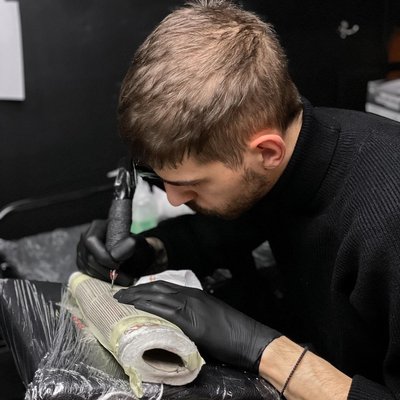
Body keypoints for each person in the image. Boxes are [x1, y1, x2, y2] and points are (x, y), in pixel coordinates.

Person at [76, 1, 400, 399]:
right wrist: (151, 250)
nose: (174, 200)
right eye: (162, 181)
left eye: (192, 184)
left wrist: (262, 349)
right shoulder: (289, 153)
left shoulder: (388, 222)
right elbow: (238, 222)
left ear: (267, 151)